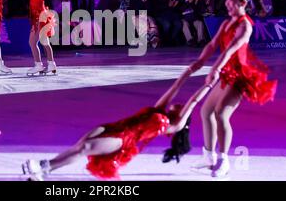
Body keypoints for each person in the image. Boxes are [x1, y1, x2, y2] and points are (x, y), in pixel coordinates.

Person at [22, 67, 216, 181]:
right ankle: (44, 171)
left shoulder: (174, 124)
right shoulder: (159, 110)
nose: (180, 103)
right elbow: (175, 87)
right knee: (79, 146)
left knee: (85, 149)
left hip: (123, 139)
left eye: (181, 106)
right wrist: (190, 71)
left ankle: (42, 166)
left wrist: (207, 84)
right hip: (113, 127)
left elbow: (193, 102)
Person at [190, 0, 277, 177]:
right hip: (226, 73)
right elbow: (212, 45)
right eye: (227, 0)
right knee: (206, 111)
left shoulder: (245, 25)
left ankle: (224, 161)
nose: (228, 4)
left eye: (232, 1)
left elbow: (230, 49)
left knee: (221, 114)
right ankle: (208, 156)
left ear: (243, 3)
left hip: (240, 76)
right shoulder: (226, 24)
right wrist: (200, 61)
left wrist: (214, 68)